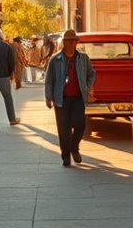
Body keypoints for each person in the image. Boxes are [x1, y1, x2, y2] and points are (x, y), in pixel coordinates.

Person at [45, 29, 96, 166]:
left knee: (80, 124)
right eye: (68, 41)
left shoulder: (83, 58)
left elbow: (92, 74)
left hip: (78, 97)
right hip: (61, 99)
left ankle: (74, 148)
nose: (71, 44)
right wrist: (48, 97)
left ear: (76, 43)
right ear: (64, 43)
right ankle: (66, 156)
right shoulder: (55, 60)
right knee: (64, 128)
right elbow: (49, 79)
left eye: (73, 41)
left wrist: (87, 85)